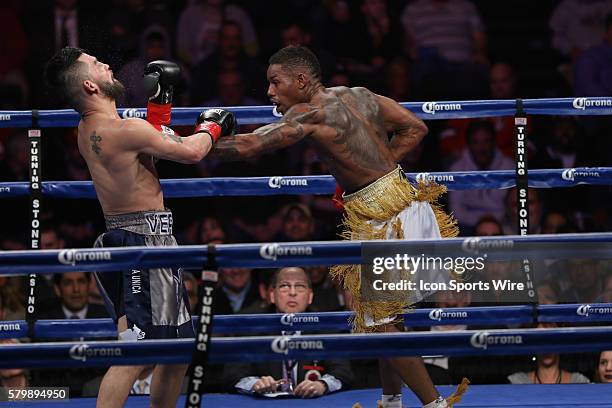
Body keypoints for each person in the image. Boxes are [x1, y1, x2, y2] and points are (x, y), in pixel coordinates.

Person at [208, 45, 466, 408]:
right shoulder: (359, 94)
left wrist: (194, 139)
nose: (269, 92)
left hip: (384, 219)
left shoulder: (310, 113)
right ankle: (391, 400)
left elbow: (250, 146)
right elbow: (415, 127)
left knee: (381, 323)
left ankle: (434, 404)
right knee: (384, 318)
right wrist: (378, 171)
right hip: (407, 201)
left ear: (301, 80)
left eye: (274, 82)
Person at [44, 47, 236, 408]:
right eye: (96, 64)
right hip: (143, 242)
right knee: (135, 348)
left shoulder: (88, 129)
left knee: (176, 347)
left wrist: (160, 108)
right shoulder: (124, 130)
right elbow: (191, 152)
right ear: (89, 85)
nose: (106, 63)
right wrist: (213, 124)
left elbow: (148, 150)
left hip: (133, 237)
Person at [225, 267, 353, 397]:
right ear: (272, 295)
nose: (292, 292)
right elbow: (232, 375)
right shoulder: (252, 327)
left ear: (310, 296)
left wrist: (322, 385)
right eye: (284, 286)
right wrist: (254, 384)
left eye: (300, 286)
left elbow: (343, 372)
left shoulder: (326, 326)